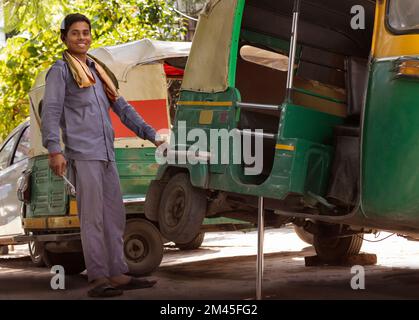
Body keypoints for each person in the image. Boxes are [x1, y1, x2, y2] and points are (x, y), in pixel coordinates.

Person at [41, 13, 163, 297]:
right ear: (64, 37)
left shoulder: (97, 71)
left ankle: (117, 273)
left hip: (107, 153)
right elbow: (51, 112)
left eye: (85, 32)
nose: (81, 37)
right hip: (83, 154)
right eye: (75, 33)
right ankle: (97, 278)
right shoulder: (60, 71)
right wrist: (54, 149)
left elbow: (122, 108)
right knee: (93, 218)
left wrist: (151, 134)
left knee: (114, 216)